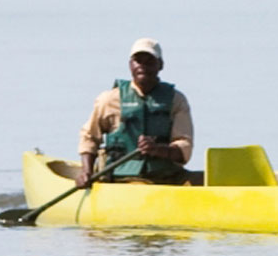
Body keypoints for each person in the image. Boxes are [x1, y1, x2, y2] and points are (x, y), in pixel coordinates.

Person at [78, 38, 194, 187]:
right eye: (138, 61)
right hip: (124, 177)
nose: (143, 66)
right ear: (130, 65)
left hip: (168, 176)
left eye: (149, 61)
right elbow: (89, 137)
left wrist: (158, 150)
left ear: (161, 65)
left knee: (204, 179)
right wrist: (86, 172)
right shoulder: (109, 99)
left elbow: (184, 146)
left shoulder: (176, 100)